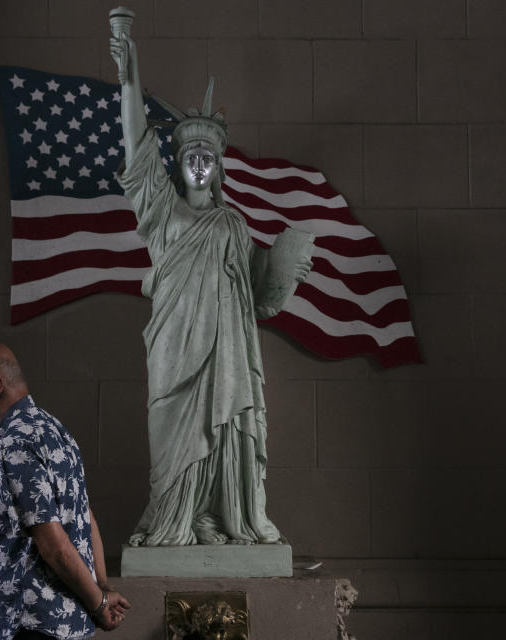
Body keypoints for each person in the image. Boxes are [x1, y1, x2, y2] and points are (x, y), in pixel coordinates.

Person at [109, 33, 313, 548]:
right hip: (174, 347)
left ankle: (218, 517)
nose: (199, 163)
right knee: (170, 441)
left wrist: (288, 265)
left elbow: (258, 299)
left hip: (225, 350)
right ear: (177, 166)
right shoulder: (162, 213)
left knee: (224, 431)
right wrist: (127, 76)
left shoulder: (235, 225)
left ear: (218, 167)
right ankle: (173, 518)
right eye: (190, 155)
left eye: (208, 156)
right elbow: (135, 148)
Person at [0, 344, 130, 640]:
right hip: (69, 624)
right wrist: (101, 586)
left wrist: (99, 604)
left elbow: (54, 545)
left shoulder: (15, 443)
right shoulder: (55, 430)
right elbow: (85, 516)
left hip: (33, 623)